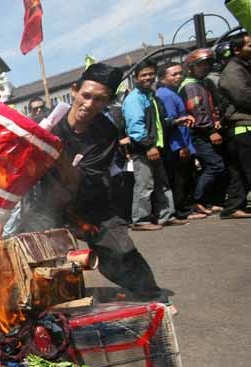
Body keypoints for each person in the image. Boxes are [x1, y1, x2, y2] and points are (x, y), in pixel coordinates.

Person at [21, 63, 168, 304]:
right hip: (48, 203)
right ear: (74, 91)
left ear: (107, 102)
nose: (89, 105)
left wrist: (54, 151)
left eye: (99, 100)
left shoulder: (106, 131)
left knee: (120, 252)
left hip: (91, 203)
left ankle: (152, 295)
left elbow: (77, 179)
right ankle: (39, 305)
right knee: (25, 253)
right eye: (86, 96)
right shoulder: (46, 122)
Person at [122, 60, 184, 230]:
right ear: (136, 78)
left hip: (156, 147)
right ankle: (141, 221)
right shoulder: (135, 99)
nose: (148, 77)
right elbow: (136, 128)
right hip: (144, 150)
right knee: (145, 185)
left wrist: (175, 121)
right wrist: (148, 146)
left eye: (151, 74)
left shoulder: (151, 96)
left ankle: (167, 215)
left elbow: (157, 122)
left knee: (162, 183)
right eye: (143, 75)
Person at [156, 64, 206, 222]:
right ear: (163, 78)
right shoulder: (166, 95)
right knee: (179, 179)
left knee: (184, 177)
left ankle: (187, 207)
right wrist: (181, 146)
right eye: (174, 74)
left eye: (179, 73)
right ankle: (183, 210)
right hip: (177, 144)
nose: (178, 77)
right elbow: (172, 123)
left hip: (182, 142)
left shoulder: (172, 93)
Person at [179, 48, 226, 215]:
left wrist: (217, 120)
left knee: (215, 164)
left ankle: (207, 200)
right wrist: (211, 129)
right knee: (215, 165)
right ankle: (197, 200)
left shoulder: (204, 83)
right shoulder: (191, 86)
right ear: (191, 67)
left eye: (207, 64)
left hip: (207, 130)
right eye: (201, 65)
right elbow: (197, 112)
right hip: (199, 134)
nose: (205, 68)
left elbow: (211, 107)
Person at [217, 33, 251, 219]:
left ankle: (233, 207)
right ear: (237, 50)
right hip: (242, 127)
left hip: (242, 126)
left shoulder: (242, 67)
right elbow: (244, 97)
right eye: (249, 46)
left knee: (239, 172)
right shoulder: (233, 72)